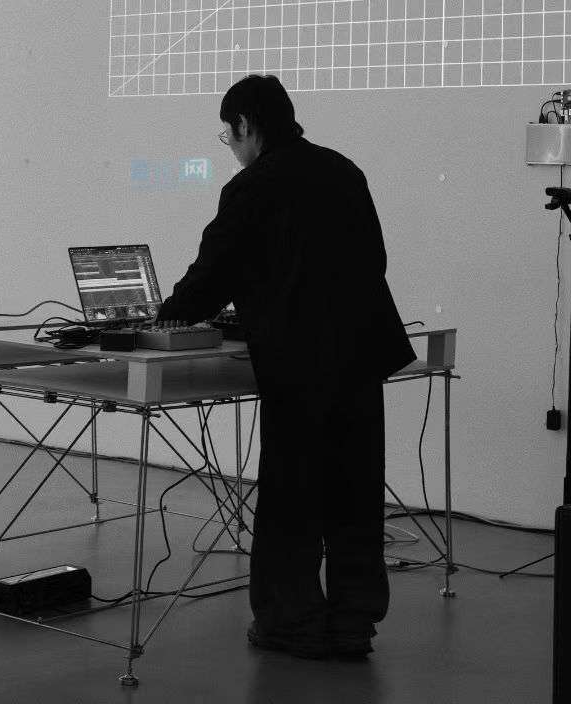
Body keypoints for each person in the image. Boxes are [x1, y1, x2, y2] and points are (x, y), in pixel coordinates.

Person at [155, 74, 415, 660]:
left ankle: (290, 623)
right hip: (360, 353)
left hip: (300, 363)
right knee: (354, 493)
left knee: (291, 497)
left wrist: (168, 315)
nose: (232, 147)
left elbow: (214, 272)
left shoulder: (252, 186)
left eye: (228, 136)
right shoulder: (344, 170)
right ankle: (353, 623)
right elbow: (373, 259)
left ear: (246, 125)